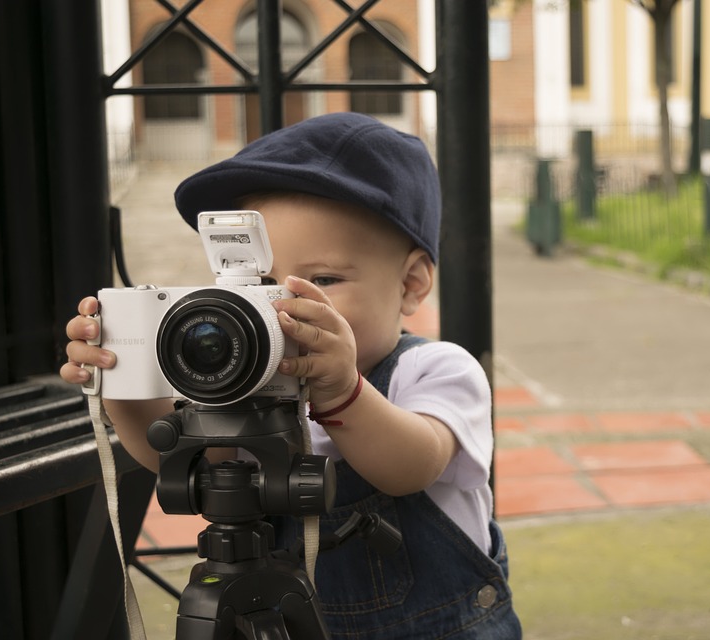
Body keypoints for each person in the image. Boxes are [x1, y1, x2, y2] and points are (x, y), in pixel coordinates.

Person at [60, 112, 521, 639]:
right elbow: (179, 459)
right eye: (262, 284)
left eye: (323, 279)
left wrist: (343, 393)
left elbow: (412, 465)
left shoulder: (435, 369)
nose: (283, 308)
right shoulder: (251, 383)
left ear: (411, 284)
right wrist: (119, 382)